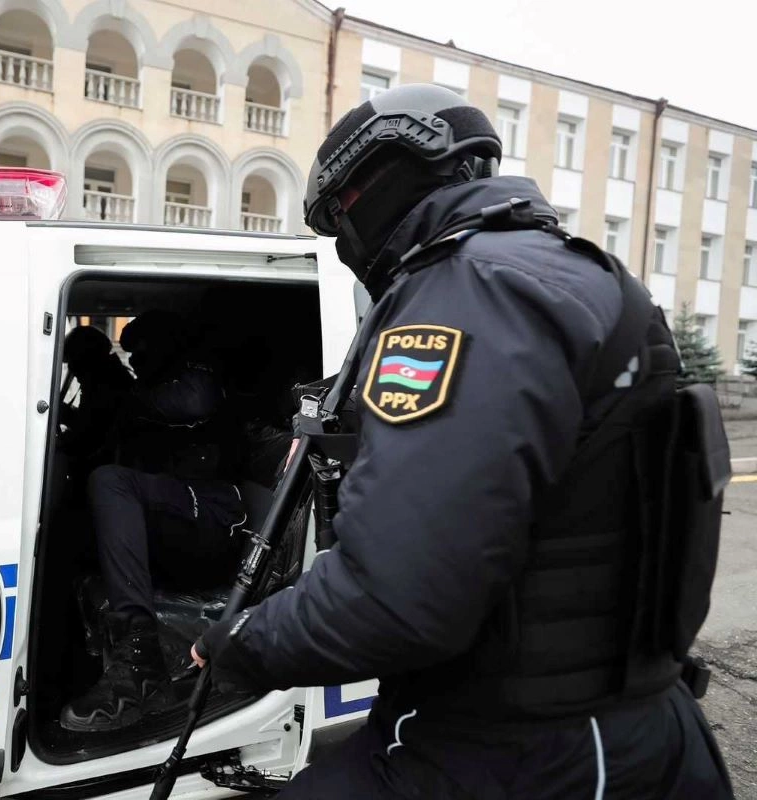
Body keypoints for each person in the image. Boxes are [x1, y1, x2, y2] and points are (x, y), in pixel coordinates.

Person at [191, 85, 734, 798]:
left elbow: (395, 597)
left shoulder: (469, 291)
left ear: (386, 177)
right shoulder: (558, 271)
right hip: (605, 724)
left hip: (528, 749)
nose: (342, 239)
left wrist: (237, 642)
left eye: (340, 212)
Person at [59, 311, 246, 733]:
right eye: (131, 354)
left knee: (108, 481)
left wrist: (124, 400)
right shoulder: (138, 393)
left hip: (213, 519)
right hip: (172, 518)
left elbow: (194, 402)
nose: (135, 361)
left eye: (141, 351)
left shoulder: (194, 378)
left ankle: (141, 658)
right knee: (71, 524)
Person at [58, 325, 134, 467]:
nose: (72, 370)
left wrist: (67, 418)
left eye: (73, 363)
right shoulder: (106, 378)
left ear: (86, 360)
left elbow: (91, 434)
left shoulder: (108, 385)